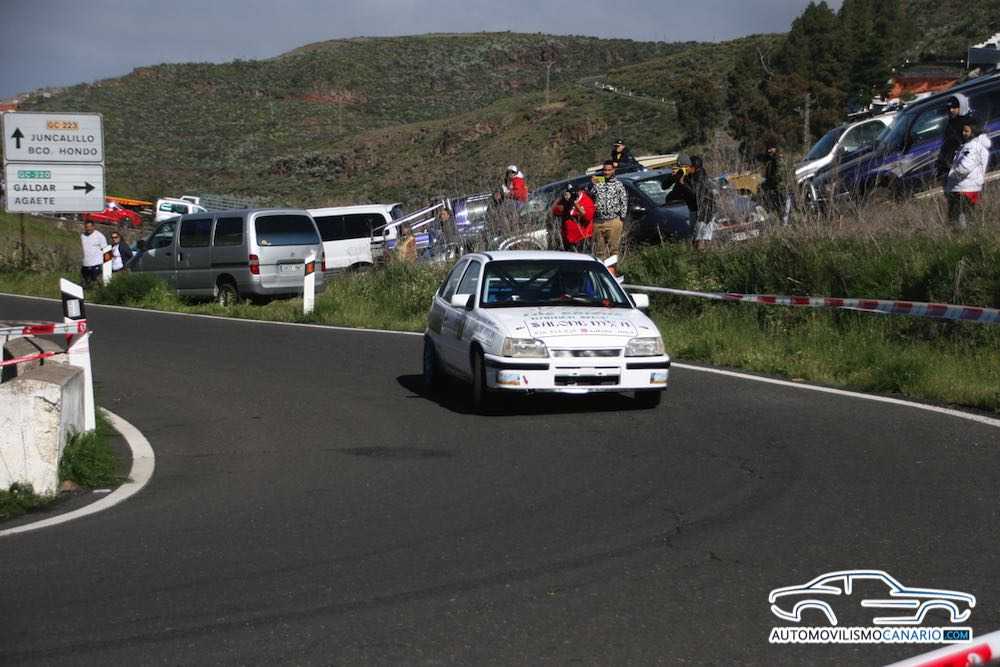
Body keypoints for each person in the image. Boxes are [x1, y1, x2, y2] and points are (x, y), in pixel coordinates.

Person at [945, 118, 991, 229]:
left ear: (974, 132)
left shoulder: (973, 147)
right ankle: (968, 234)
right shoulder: (971, 145)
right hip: (967, 186)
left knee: (959, 217)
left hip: (965, 187)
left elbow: (965, 167)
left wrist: (952, 175)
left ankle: (964, 235)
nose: (963, 133)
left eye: (966, 131)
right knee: (966, 215)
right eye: (963, 131)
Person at [590, 160, 628, 261]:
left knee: (613, 250)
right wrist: (592, 184)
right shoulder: (598, 182)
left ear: (613, 170)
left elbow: (623, 201)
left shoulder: (618, 184)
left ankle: (613, 269)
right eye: (605, 170)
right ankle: (602, 269)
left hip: (613, 220)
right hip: (598, 221)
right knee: (599, 251)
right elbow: (590, 196)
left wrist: (621, 218)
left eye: (609, 170)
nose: (606, 172)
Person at [550, 183, 595, 253]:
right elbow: (553, 210)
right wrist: (561, 198)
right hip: (568, 239)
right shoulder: (564, 202)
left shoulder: (586, 200)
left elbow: (587, 217)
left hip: (582, 239)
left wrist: (574, 203)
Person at [936, 94, 971, 181]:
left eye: (954, 107)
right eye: (949, 108)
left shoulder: (968, 122)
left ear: (961, 107)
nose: (951, 110)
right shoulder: (950, 124)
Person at [759, 141, 790, 224]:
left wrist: (767, 182)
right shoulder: (770, 159)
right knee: (777, 209)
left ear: (775, 148)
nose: (769, 150)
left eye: (771, 148)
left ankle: (784, 225)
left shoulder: (778, 159)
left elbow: (779, 176)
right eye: (768, 149)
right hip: (774, 189)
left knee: (783, 211)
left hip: (781, 188)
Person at [79, 220, 107, 286]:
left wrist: (106, 265)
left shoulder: (99, 236)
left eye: (90, 227)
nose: (88, 229)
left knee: (96, 281)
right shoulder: (82, 236)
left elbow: (106, 250)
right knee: (85, 282)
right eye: (86, 227)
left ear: (93, 227)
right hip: (85, 264)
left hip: (96, 263)